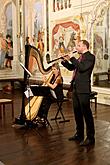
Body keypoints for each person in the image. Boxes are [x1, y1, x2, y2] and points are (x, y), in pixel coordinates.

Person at [61, 40, 95, 146]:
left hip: (84, 89)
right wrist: (65, 61)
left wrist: (72, 58)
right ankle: (79, 134)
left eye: (78, 45)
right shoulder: (80, 57)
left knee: (87, 114)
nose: (76, 47)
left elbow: (82, 68)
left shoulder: (90, 57)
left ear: (84, 46)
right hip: (75, 87)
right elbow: (73, 67)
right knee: (77, 113)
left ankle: (90, 138)